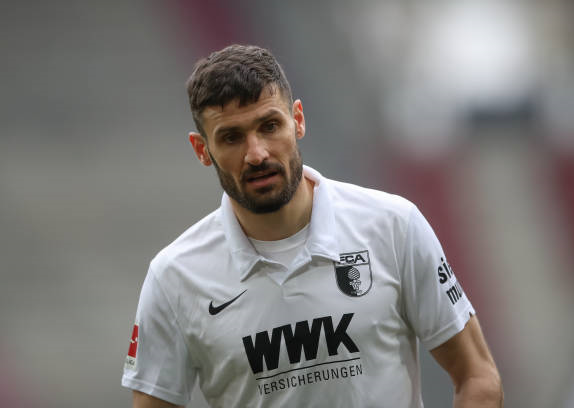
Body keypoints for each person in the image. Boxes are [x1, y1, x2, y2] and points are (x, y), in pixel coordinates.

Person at [121, 44, 503, 408]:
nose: (257, 153)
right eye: (232, 137)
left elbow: (477, 376)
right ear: (202, 150)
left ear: (298, 121)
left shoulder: (394, 226)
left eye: (270, 126)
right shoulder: (173, 277)